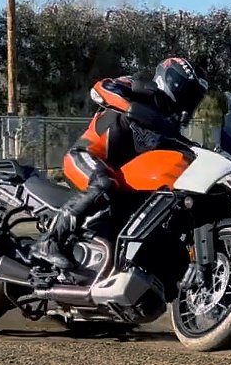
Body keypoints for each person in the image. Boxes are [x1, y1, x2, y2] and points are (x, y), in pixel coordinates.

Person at [30, 57, 210, 269]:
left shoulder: (168, 127)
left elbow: (182, 151)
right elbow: (100, 88)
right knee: (103, 184)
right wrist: (132, 108)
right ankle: (49, 242)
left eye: (194, 99)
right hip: (87, 156)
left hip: (119, 175)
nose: (188, 103)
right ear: (170, 81)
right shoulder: (139, 89)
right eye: (187, 94)